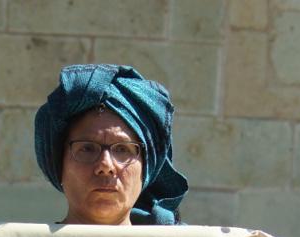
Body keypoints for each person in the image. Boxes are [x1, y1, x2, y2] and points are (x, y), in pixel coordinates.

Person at [34, 63, 189, 226]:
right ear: (59, 165)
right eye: (87, 149)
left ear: (146, 169)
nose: (105, 165)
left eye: (123, 149)